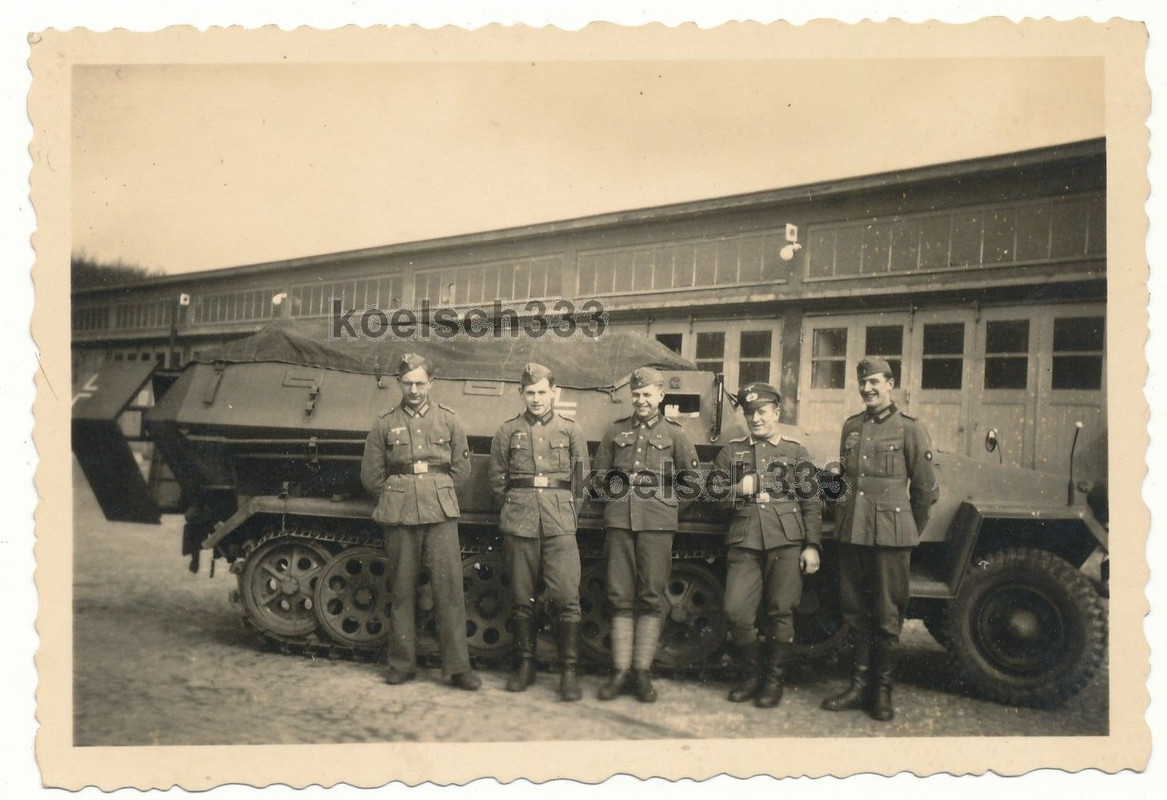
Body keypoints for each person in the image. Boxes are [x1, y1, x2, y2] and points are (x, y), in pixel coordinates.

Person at [820, 357, 939, 720]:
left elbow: (925, 491)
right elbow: (844, 483)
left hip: (891, 536)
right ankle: (858, 687)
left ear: (891, 384)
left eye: (874, 382)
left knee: (888, 617)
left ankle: (881, 692)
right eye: (863, 383)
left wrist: (905, 531)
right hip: (852, 532)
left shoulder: (909, 429)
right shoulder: (851, 427)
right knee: (855, 612)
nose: (868, 389)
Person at [360, 353, 481, 691]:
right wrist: (401, 492)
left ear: (431, 383)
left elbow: (461, 470)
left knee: (450, 591)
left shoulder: (450, 420)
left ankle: (458, 668)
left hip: (440, 513)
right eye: (408, 383)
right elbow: (372, 476)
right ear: (400, 384)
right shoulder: (385, 422)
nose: (414, 389)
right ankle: (402, 664)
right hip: (400, 514)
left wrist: (435, 491)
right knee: (401, 590)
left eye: (420, 383)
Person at [591, 366, 700, 702]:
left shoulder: (676, 434)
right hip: (621, 522)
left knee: (651, 596)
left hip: (657, 524)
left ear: (660, 396)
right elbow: (598, 477)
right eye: (636, 394)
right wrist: (616, 504)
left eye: (647, 394)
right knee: (619, 594)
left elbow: (691, 483)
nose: (641, 400)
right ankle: (621, 671)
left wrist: (666, 508)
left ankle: (642, 672)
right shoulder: (616, 431)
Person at [710, 383, 822, 708]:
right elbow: (713, 496)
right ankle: (752, 676)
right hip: (744, 539)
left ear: (776, 413)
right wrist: (737, 489)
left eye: (761, 412)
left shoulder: (795, 451)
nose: (755, 419)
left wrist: (812, 545)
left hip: (786, 539)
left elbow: (812, 501)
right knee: (736, 610)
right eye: (749, 413)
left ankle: (773, 683)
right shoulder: (731, 452)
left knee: (781, 610)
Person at [488, 363, 590, 701]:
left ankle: (568, 672)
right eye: (530, 392)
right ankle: (525, 665)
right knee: (521, 597)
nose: (536, 398)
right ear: (521, 394)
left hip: (560, 522)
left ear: (554, 393)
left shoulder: (571, 430)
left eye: (542, 392)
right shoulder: (507, 431)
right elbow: (498, 480)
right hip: (520, 520)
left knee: (566, 597)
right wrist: (515, 508)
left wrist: (568, 515)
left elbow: (582, 482)